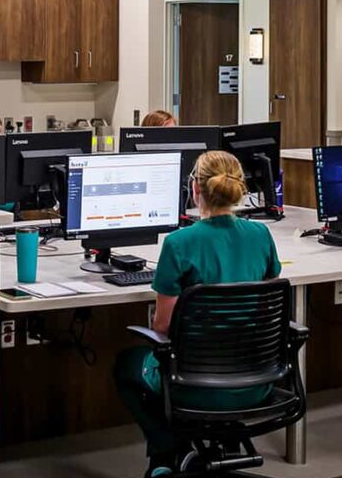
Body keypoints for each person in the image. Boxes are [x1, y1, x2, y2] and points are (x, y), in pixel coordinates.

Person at [114, 151, 283, 478]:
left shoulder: (179, 243)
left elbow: (162, 327)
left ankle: (167, 452)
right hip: (256, 380)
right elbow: (269, 300)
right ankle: (208, 444)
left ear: (195, 189)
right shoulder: (261, 235)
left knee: (126, 365)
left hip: (192, 385)